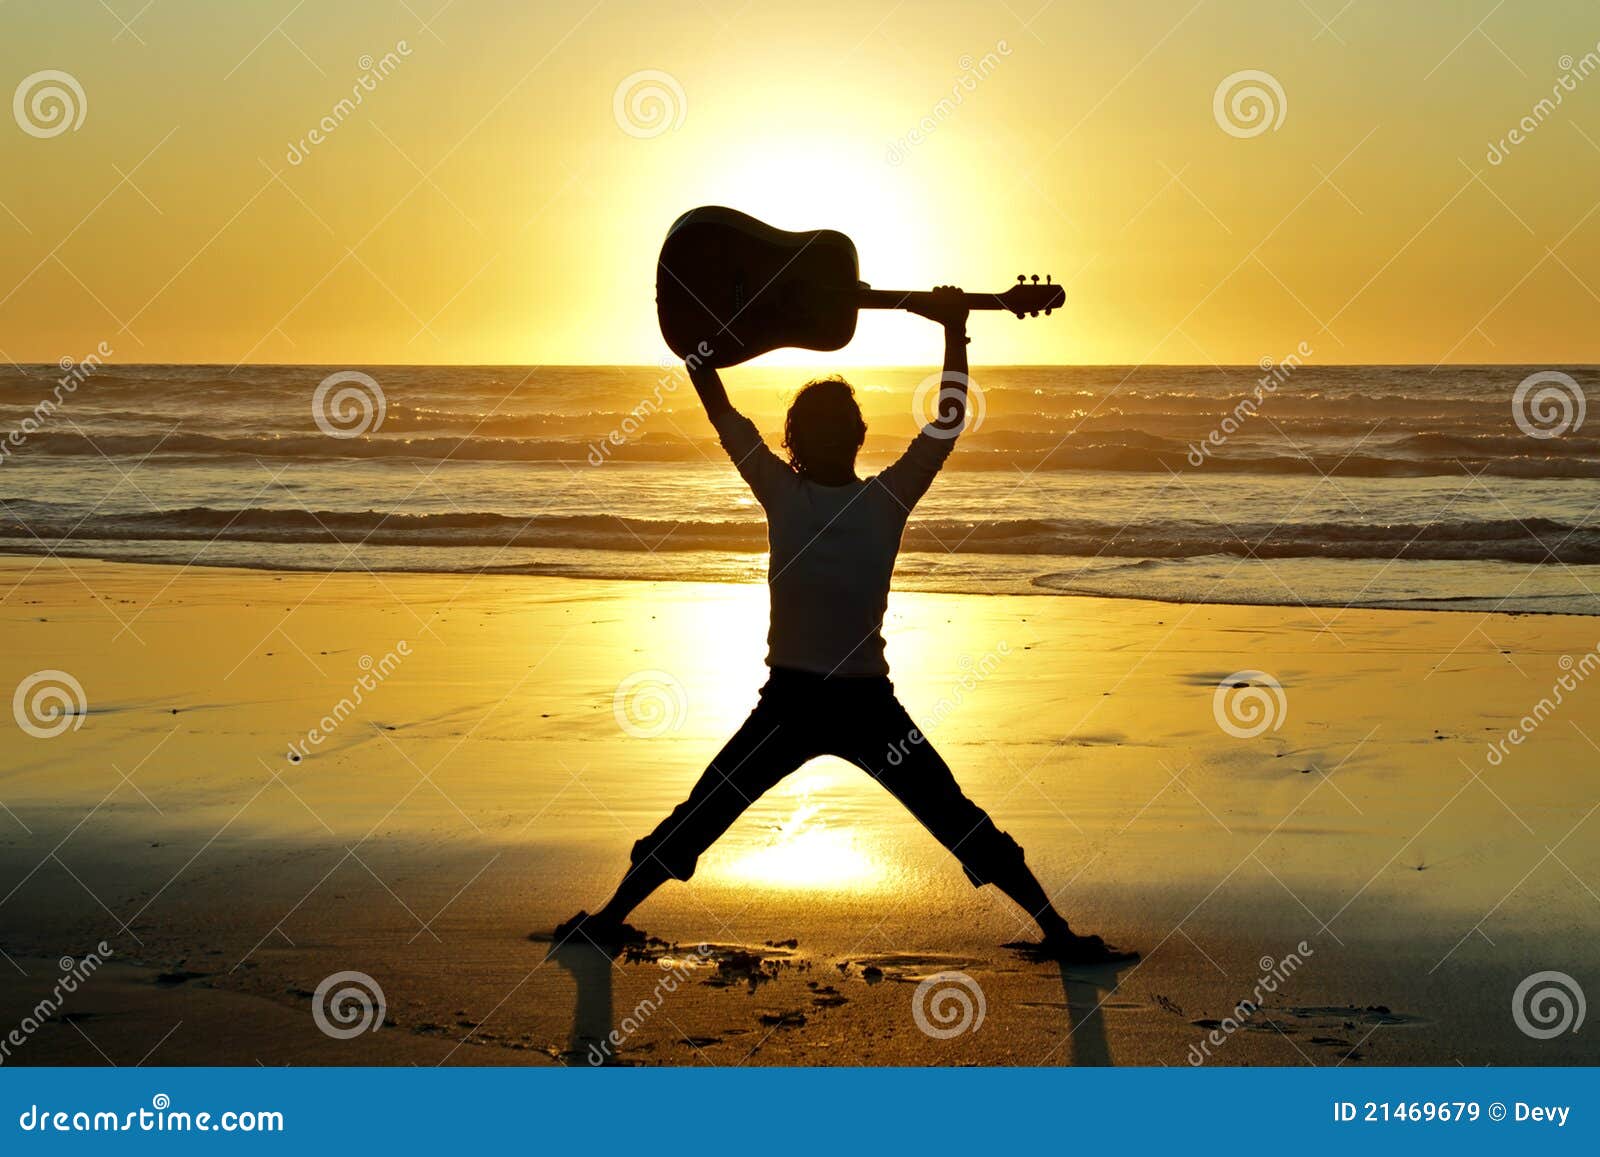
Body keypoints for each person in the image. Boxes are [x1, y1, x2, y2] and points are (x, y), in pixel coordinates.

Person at [557, 288, 1132, 963]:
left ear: (794, 440)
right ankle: (1058, 934)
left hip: (796, 706)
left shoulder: (782, 490)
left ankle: (608, 917)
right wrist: (954, 330)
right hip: (862, 708)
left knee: (704, 812)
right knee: (956, 821)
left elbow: (717, 405)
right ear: (857, 437)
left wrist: (701, 331)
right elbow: (947, 420)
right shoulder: (885, 499)